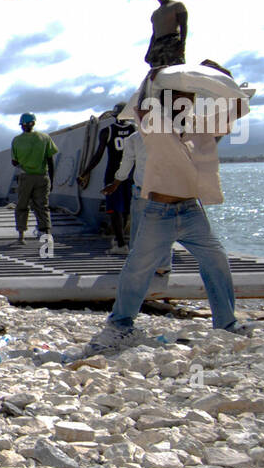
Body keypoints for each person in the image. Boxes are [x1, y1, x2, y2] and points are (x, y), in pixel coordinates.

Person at [88, 76, 251, 351]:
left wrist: (220, 79)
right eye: (180, 97)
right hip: (158, 211)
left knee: (216, 261)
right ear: (165, 102)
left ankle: (226, 324)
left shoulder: (199, 129)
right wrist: (154, 78)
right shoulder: (152, 128)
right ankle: (120, 325)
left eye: (191, 98)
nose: (187, 102)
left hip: (190, 210)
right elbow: (141, 107)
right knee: (138, 268)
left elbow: (232, 111)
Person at [103, 112, 172, 276]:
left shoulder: (134, 138)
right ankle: (163, 264)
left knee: (139, 229)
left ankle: (137, 264)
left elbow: (126, 164)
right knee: (164, 227)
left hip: (142, 189)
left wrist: (115, 184)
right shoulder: (169, 136)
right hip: (163, 188)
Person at [77, 104, 134, 252]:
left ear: (114, 115)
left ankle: (120, 243)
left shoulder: (107, 131)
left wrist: (85, 173)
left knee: (115, 209)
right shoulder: (135, 130)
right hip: (130, 175)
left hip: (113, 175)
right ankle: (120, 239)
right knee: (127, 209)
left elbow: (98, 155)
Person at [10, 112, 57, 245]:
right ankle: (47, 235)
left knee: (22, 205)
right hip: (43, 177)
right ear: (34, 123)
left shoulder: (17, 140)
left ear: (22, 125)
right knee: (42, 206)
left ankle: (21, 236)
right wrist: (51, 180)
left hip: (25, 177)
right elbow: (50, 160)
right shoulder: (45, 138)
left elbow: (14, 162)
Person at [145, 0, 187, 69]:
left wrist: (182, 44)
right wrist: (149, 51)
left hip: (172, 42)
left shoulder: (177, 5)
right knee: (158, 74)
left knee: (175, 70)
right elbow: (154, 33)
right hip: (157, 46)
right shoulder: (155, 13)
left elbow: (183, 25)